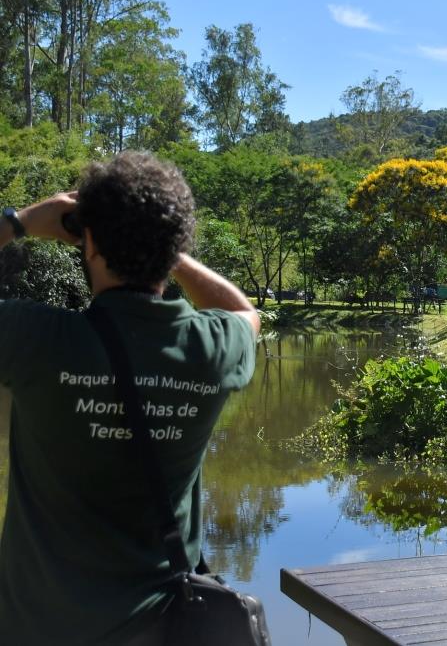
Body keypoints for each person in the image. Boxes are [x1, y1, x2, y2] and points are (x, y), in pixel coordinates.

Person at [0, 152, 260, 644]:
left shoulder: (33, 338)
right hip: (162, 630)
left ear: (88, 240)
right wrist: (162, 248)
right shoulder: (210, 348)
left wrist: (21, 221)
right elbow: (246, 312)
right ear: (174, 245)